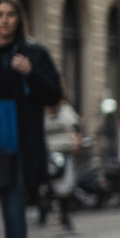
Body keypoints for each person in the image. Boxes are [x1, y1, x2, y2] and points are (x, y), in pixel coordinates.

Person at [0, 0, 63, 238]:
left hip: (19, 144)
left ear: (20, 19)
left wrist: (30, 72)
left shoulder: (34, 53)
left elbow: (53, 94)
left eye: (10, 14)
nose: (4, 20)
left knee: (13, 211)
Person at [41, 96, 81, 228]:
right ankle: (44, 212)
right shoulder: (41, 111)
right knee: (48, 185)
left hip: (65, 151)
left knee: (66, 185)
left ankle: (65, 214)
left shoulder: (65, 111)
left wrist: (76, 142)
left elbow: (76, 128)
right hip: (49, 153)